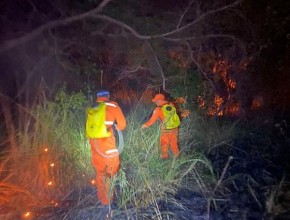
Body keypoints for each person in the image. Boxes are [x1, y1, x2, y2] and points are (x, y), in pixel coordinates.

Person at [87, 90, 126, 212]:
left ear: (98, 97)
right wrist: (116, 127)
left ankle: (103, 200)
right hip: (107, 142)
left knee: (100, 172)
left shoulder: (92, 107)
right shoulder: (113, 105)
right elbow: (123, 124)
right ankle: (108, 202)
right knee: (110, 171)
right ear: (108, 96)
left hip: (94, 143)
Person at [141, 93, 180, 159]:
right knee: (174, 144)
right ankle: (178, 158)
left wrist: (143, 126)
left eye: (156, 102)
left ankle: (164, 158)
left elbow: (151, 121)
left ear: (159, 101)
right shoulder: (172, 105)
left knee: (164, 145)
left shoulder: (158, 109)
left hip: (165, 130)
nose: (155, 103)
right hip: (175, 129)